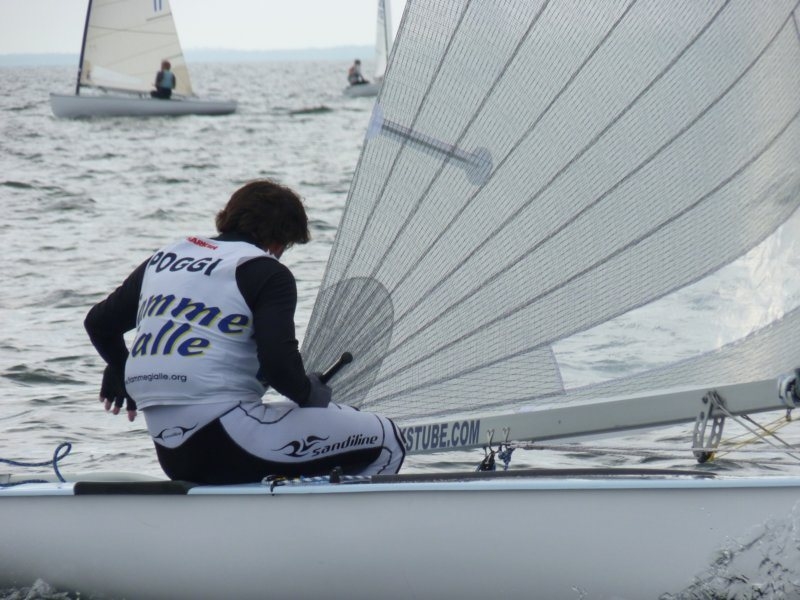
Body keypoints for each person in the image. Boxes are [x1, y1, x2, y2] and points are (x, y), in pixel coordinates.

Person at [84, 179, 406, 484]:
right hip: (231, 443)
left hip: (173, 455)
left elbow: (99, 324)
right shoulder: (267, 272)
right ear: (280, 240)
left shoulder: (165, 259)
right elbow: (279, 367)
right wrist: (309, 393)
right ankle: (339, 522)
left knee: (275, 426)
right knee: (388, 438)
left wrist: (120, 366)